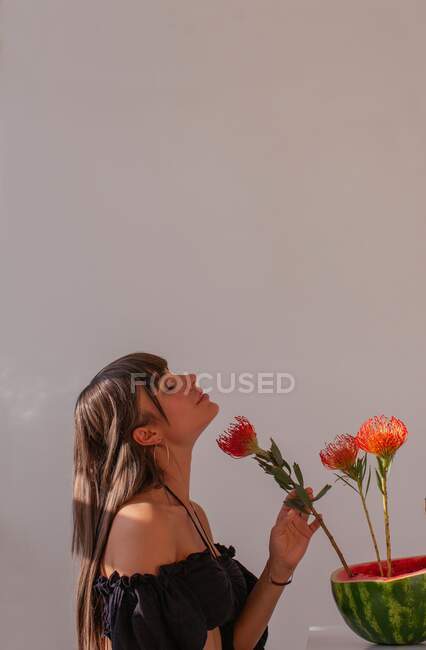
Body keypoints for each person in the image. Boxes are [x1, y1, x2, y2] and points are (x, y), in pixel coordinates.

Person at [71, 352, 321, 650]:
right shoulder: (141, 523)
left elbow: (233, 644)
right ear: (148, 434)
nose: (189, 379)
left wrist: (278, 567)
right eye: (169, 386)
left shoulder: (190, 513)